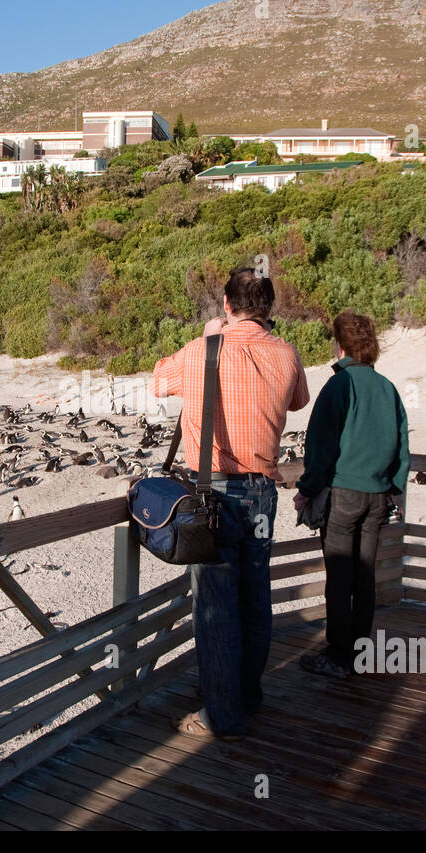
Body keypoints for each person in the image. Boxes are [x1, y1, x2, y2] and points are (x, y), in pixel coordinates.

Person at [151, 268, 310, 739]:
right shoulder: (285, 353)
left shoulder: (204, 351)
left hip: (213, 494)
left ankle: (222, 715)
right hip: (262, 491)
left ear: (225, 303)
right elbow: (298, 401)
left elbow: (159, 381)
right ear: (269, 307)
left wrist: (206, 338)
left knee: (216, 606)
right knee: (254, 597)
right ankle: (248, 692)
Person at [294, 311, 409, 678]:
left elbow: (321, 446)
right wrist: (394, 485)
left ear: (340, 345)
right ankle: (360, 649)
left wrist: (307, 490)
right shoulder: (387, 387)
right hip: (379, 495)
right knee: (365, 576)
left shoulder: (340, 385)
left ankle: (339, 654)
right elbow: (402, 446)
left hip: (344, 493)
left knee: (340, 578)